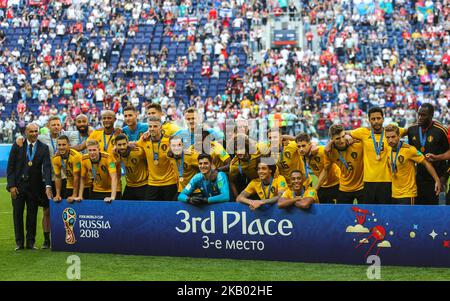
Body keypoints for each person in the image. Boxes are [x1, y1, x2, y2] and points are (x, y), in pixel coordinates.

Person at [7, 123, 53, 250]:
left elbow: (47, 168)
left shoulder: (43, 148)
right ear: (26, 132)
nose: (34, 134)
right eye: (31, 131)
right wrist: (11, 186)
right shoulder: (18, 145)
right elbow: (10, 167)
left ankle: (31, 242)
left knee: (32, 215)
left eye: (36, 131)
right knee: (17, 214)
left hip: (34, 187)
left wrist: (48, 185)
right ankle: (19, 243)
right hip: (18, 186)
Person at [348, 107, 407, 204]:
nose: (376, 121)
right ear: (369, 120)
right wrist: (347, 137)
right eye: (373, 119)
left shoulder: (391, 132)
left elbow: (409, 130)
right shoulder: (362, 132)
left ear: (383, 119)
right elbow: (343, 133)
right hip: (368, 182)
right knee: (370, 214)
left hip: (387, 181)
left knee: (385, 213)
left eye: (378, 118)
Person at [385, 125, 441, 205]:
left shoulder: (410, 150)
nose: (390, 140)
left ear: (399, 136)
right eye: (388, 137)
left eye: (393, 136)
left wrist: (437, 180)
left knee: (407, 217)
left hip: (408, 194)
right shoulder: (388, 149)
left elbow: (426, 163)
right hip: (394, 193)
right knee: (396, 218)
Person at [407, 104, 449, 205]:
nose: (420, 118)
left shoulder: (441, 131)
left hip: (436, 178)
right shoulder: (412, 130)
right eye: (419, 114)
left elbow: (448, 152)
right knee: (418, 209)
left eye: (423, 115)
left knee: (435, 211)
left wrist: (443, 177)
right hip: (417, 178)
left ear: (431, 115)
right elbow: (411, 153)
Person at [136, 116, 179, 201]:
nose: (152, 129)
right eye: (150, 126)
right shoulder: (144, 140)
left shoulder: (168, 140)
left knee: (169, 211)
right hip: (152, 183)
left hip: (169, 182)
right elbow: (134, 145)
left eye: (155, 126)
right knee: (149, 210)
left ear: (161, 127)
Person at [86, 110, 122, 199]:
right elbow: (84, 146)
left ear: (115, 119)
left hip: (115, 185)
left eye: (109, 118)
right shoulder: (96, 134)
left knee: (115, 212)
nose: (106, 120)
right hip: (97, 185)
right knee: (97, 212)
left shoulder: (120, 135)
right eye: (104, 118)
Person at [296, 132, 341, 204]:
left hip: (337, 183)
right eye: (299, 146)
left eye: (303, 146)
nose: (301, 149)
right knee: (321, 208)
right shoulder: (303, 155)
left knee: (337, 210)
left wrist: (315, 189)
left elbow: (326, 170)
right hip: (323, 185)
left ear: (309, 144)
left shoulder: (321, 151)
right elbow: (292, 139)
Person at [327, 124, 365, 204]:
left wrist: (351, 135)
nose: (342, 140)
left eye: (343, 136)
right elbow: (325, 168)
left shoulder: (358, 144)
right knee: (342, 214)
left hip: (362, 186)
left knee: (365, 214)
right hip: (345, 187)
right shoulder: (330, 152)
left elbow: (367, 133)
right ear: (332, 139)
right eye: (337, 138)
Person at [114, 134, 148, 200]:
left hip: (143, 185)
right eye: (119, 145)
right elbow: (112, 164)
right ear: (116, 145)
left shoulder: (138, 152)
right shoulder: (115, 153)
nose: (122, 147)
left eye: (124, 144)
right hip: (129, 185)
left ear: (128, 143)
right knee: (124, 207)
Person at [229, 134, 261, 200]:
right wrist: (236, 196)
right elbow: (231, 181)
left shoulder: (257, 150)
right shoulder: (234, 164)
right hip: (254, 183)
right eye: (236, 150)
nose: (239, 152)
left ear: (247, 148)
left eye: (241, 149)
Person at [52, 135, 82, 203]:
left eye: (64, 145)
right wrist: (58, 195)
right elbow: (57, 177)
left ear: (69, 145)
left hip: (83, 185)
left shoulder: (76, 156)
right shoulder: (55, 158)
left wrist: (74, 195)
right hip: (69, 184)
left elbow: (76, 176)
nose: (61, 147)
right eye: (59, 145)